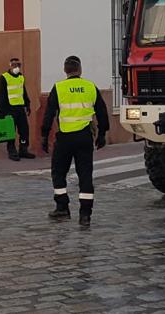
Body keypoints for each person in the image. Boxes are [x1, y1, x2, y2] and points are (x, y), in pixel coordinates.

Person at [40, 55, 110, 227]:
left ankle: (62, 206)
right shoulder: (90, 87)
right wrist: (102, 134)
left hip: (64, 138)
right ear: (80, 70)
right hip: (85, 137)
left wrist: (44, 135)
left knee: (58, 172)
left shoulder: (58, 88)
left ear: (65, 70)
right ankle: (85, 214)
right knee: (85, 175)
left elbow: (49, 114)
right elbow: (102, 112)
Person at [0, 57, 35, 161]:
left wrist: (27, 104)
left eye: (19, 65)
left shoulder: (20, 77)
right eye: (14, 64)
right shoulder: (4, 77)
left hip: (20, 108)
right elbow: (1, 96)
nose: (17, 67)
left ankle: (23, 149)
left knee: (24, 130)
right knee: (11, 131)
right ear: (10, 65)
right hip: (9, 109)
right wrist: (2, 112)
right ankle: (12, 150)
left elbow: (23, 91)